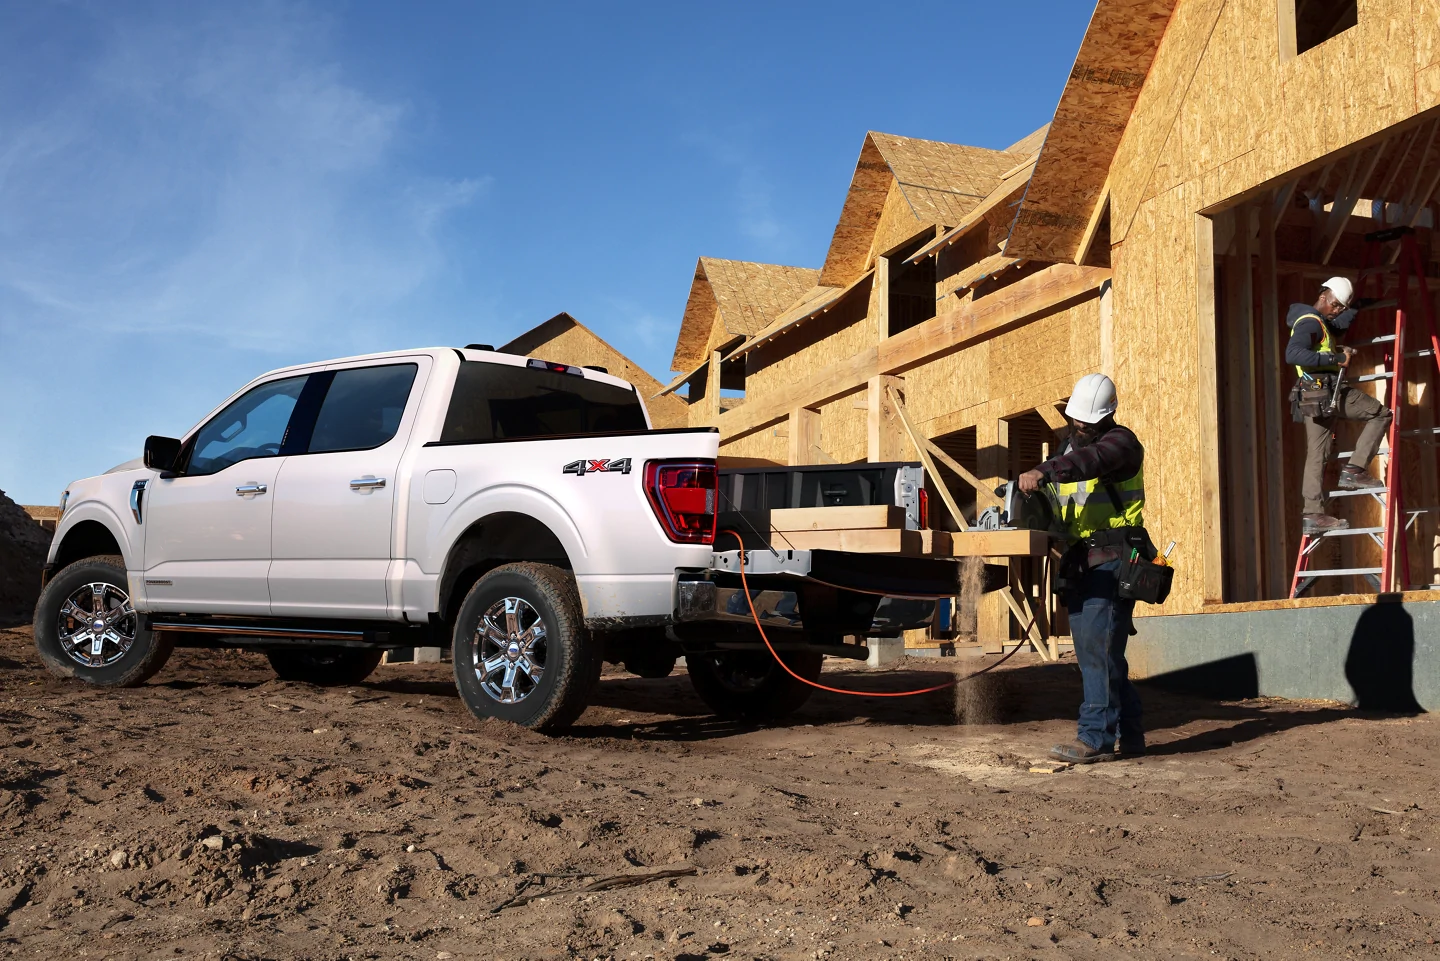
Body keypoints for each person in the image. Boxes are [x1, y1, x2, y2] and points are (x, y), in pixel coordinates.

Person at [1018, 373, 1147, 764]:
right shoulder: (1068, 447)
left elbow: (1089, 462)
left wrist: (1045, 472)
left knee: (1096, 652)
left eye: (1087, 422)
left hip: (1112, 559)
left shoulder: (1121, 443)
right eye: (1075, 419)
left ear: (1107, 417)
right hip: (1081, 561)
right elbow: (1063, 468)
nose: (1079, 426)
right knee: (1104, 654)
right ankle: (1132, 733)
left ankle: (1095, 738)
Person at [1286, 276, 1392, 534]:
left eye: (1340, 308)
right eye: (1335, 305)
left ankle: (1312, 515)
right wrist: (1336, 357)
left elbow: (1336, 327)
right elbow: (1293, 353)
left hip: (1312, 396)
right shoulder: (1311, 323)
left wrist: (1358, 306)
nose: (1336, 311)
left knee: (1316, 454)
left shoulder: (1318, 321)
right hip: (1328, 391)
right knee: (1380, 414)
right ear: (1323, 296)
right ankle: (1355, 470)